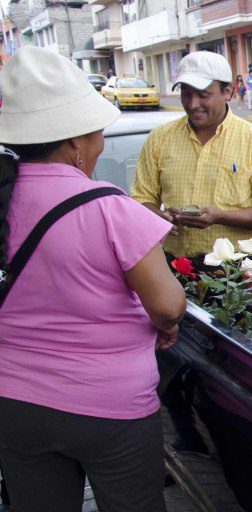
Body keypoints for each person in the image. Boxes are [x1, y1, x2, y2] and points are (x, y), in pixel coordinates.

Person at [0, 46, 185, 512]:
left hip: (13, 402)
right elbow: (166, 305)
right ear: (74, 142)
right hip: (110, 409)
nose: (101, 142)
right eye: (97, 133)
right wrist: (162, 322)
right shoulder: (107, 206)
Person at [130, 51, 252, 262]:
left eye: (203, 95)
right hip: (174, 264)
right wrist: (159, 217)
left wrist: (220, 217)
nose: (193, 104)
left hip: (236, 272)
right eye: (186, 94)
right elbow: (141, 198)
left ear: (227, 92)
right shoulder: (159, 138)